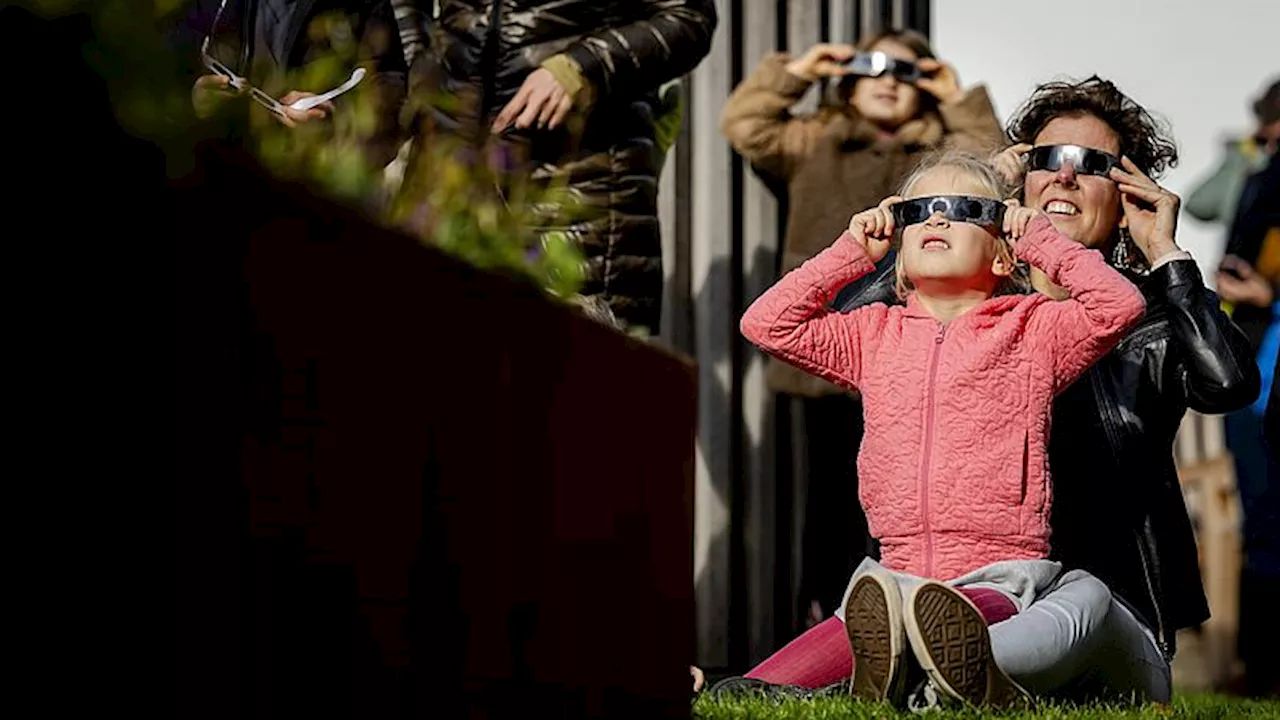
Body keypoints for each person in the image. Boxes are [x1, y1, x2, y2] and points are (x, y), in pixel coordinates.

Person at [811, 77, 1260, 701]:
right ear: (1021, 180)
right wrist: (965, 205)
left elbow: (1229, 383)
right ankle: (927, 668)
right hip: (985, 596)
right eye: (1046, 160)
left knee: (1085, 601)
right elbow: (870, 335)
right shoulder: (967, 307)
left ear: (1128, 191)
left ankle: (935, 672)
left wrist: (1168, 256)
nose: (1065, 177)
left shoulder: (1156, 313)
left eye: (1091, 164)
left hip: (1109, 611)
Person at [736, 151, 1148, 709]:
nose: (936, 219)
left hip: (1000, 576)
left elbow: (1119, 306)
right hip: (891, 577)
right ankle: (898, 656)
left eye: (962, 209)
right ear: (900, 254)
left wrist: (1041, 241)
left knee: (954, 627)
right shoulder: (871, 334)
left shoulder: (1035, 331)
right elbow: (765, 323)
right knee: (761, 689)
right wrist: (851, 254)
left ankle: (929, 662)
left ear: (1003, 253)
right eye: (919, 210)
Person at [720, 29, 1004, 626]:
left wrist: (956, 99)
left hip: (917, 352)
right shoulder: (817, 137)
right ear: (848, 80)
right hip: (830, 352)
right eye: (872, 67)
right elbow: (745, 124)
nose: (887, 81)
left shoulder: (937, 153)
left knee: (907, 489)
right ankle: (836, 622)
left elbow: (990, 170)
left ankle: (914, 614)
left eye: (905, 73)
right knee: (828, 501)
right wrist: (799, 71)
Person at [397, 0, 717, 334]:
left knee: (568, 370)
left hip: (577, 188)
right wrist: (417, 66)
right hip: (447, 176)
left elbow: (690, 16)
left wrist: (583, 66)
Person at [174, 0, 408, 169]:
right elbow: (160, 67)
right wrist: (191, 100)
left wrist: (338, 125)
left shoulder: (365, 7)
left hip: (301, 201)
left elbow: (390, 105)